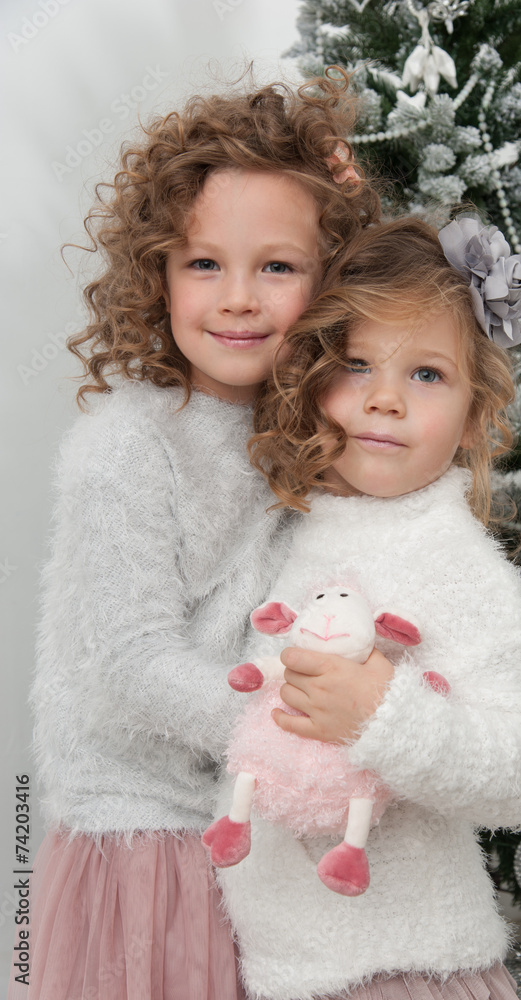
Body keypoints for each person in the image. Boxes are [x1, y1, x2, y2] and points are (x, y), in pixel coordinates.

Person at [9, 71, 380, 1000]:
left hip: (247, 823)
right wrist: (301, 735)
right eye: (204, 264)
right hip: (145, 837)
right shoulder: (127, 447)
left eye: (279, 267)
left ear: (328, 280)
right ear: (158, 273)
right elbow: (130, 664)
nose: (239, 299)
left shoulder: (313, 433)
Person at [208, 216, 521, 1000]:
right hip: (279, 966)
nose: (383, 400)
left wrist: (383, 714)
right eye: (357, 363)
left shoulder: (456, 565)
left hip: (402, 969)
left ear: (475, 412)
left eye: (426, 375)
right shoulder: (291, 532)